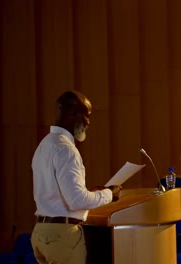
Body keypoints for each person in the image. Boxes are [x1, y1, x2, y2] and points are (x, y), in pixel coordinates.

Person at [31, 90, 122, 264]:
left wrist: (92, 193)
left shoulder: (44, 145)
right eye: (86, 116)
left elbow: (60, 194)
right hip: (63, 236)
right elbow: (76, 201)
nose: (88, 123)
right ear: (72, 114)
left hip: (41, 233)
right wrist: (109, 194)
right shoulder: (66, 150)